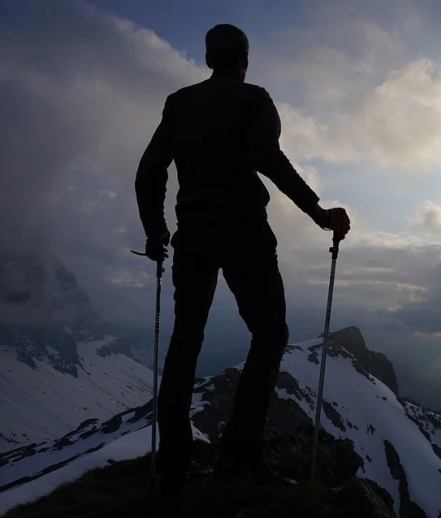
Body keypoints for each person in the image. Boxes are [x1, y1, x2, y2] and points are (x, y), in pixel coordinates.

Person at [134, 23, 351, 496]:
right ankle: (237, 457)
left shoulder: (178, 103)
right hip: (243, 229)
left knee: (185, 341)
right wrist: (318, 212)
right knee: (270, 334)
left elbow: (149, 171)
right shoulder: (254, 99)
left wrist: (156, 233)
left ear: (210, 59)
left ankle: (173, 465)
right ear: (244, 59)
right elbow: (268, 158)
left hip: (193, 233)